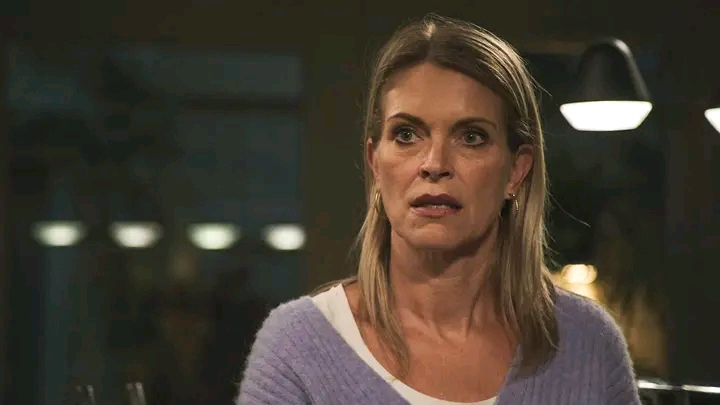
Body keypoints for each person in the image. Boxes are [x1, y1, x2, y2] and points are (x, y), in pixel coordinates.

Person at [237, 14, 641, 405]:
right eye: (406, 134)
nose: (434, 163)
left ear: (516, 171)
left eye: (471, 137)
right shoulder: (297, 349)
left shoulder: (589, 344)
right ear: (375, 163)